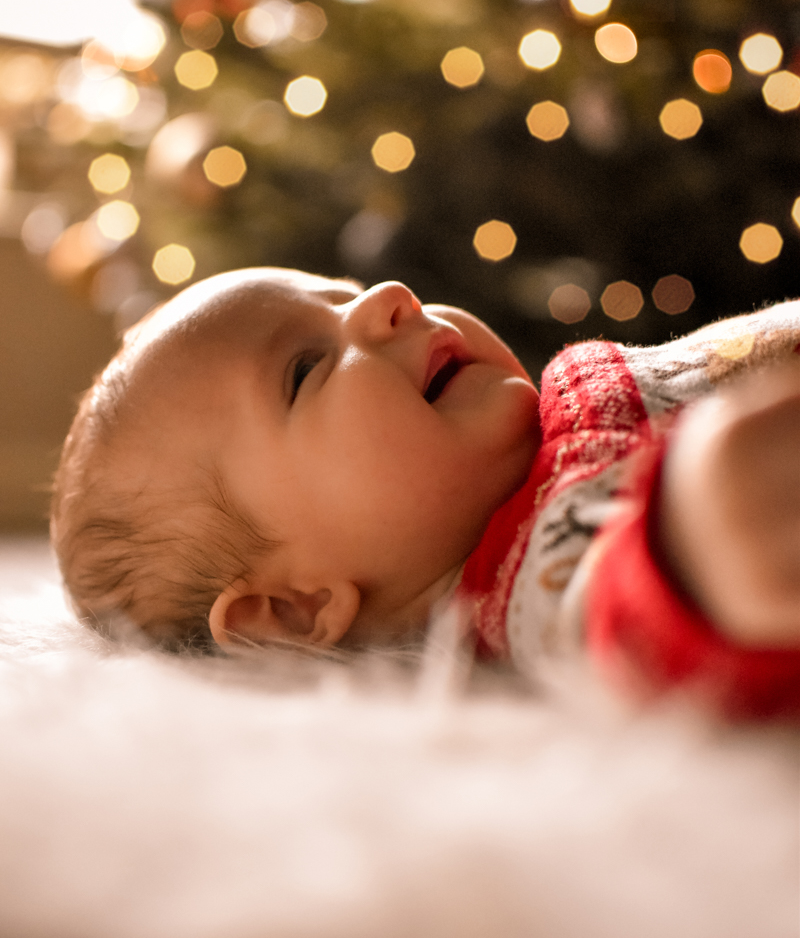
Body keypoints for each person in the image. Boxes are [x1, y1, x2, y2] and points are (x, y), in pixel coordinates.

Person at [50, 268, 800, 716]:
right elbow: (619, 614)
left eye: (342, 293)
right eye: (305, 369)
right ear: (293, 608)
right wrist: (708, 532)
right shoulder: (534, 568)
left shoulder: (561, 431)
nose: (389, 296)